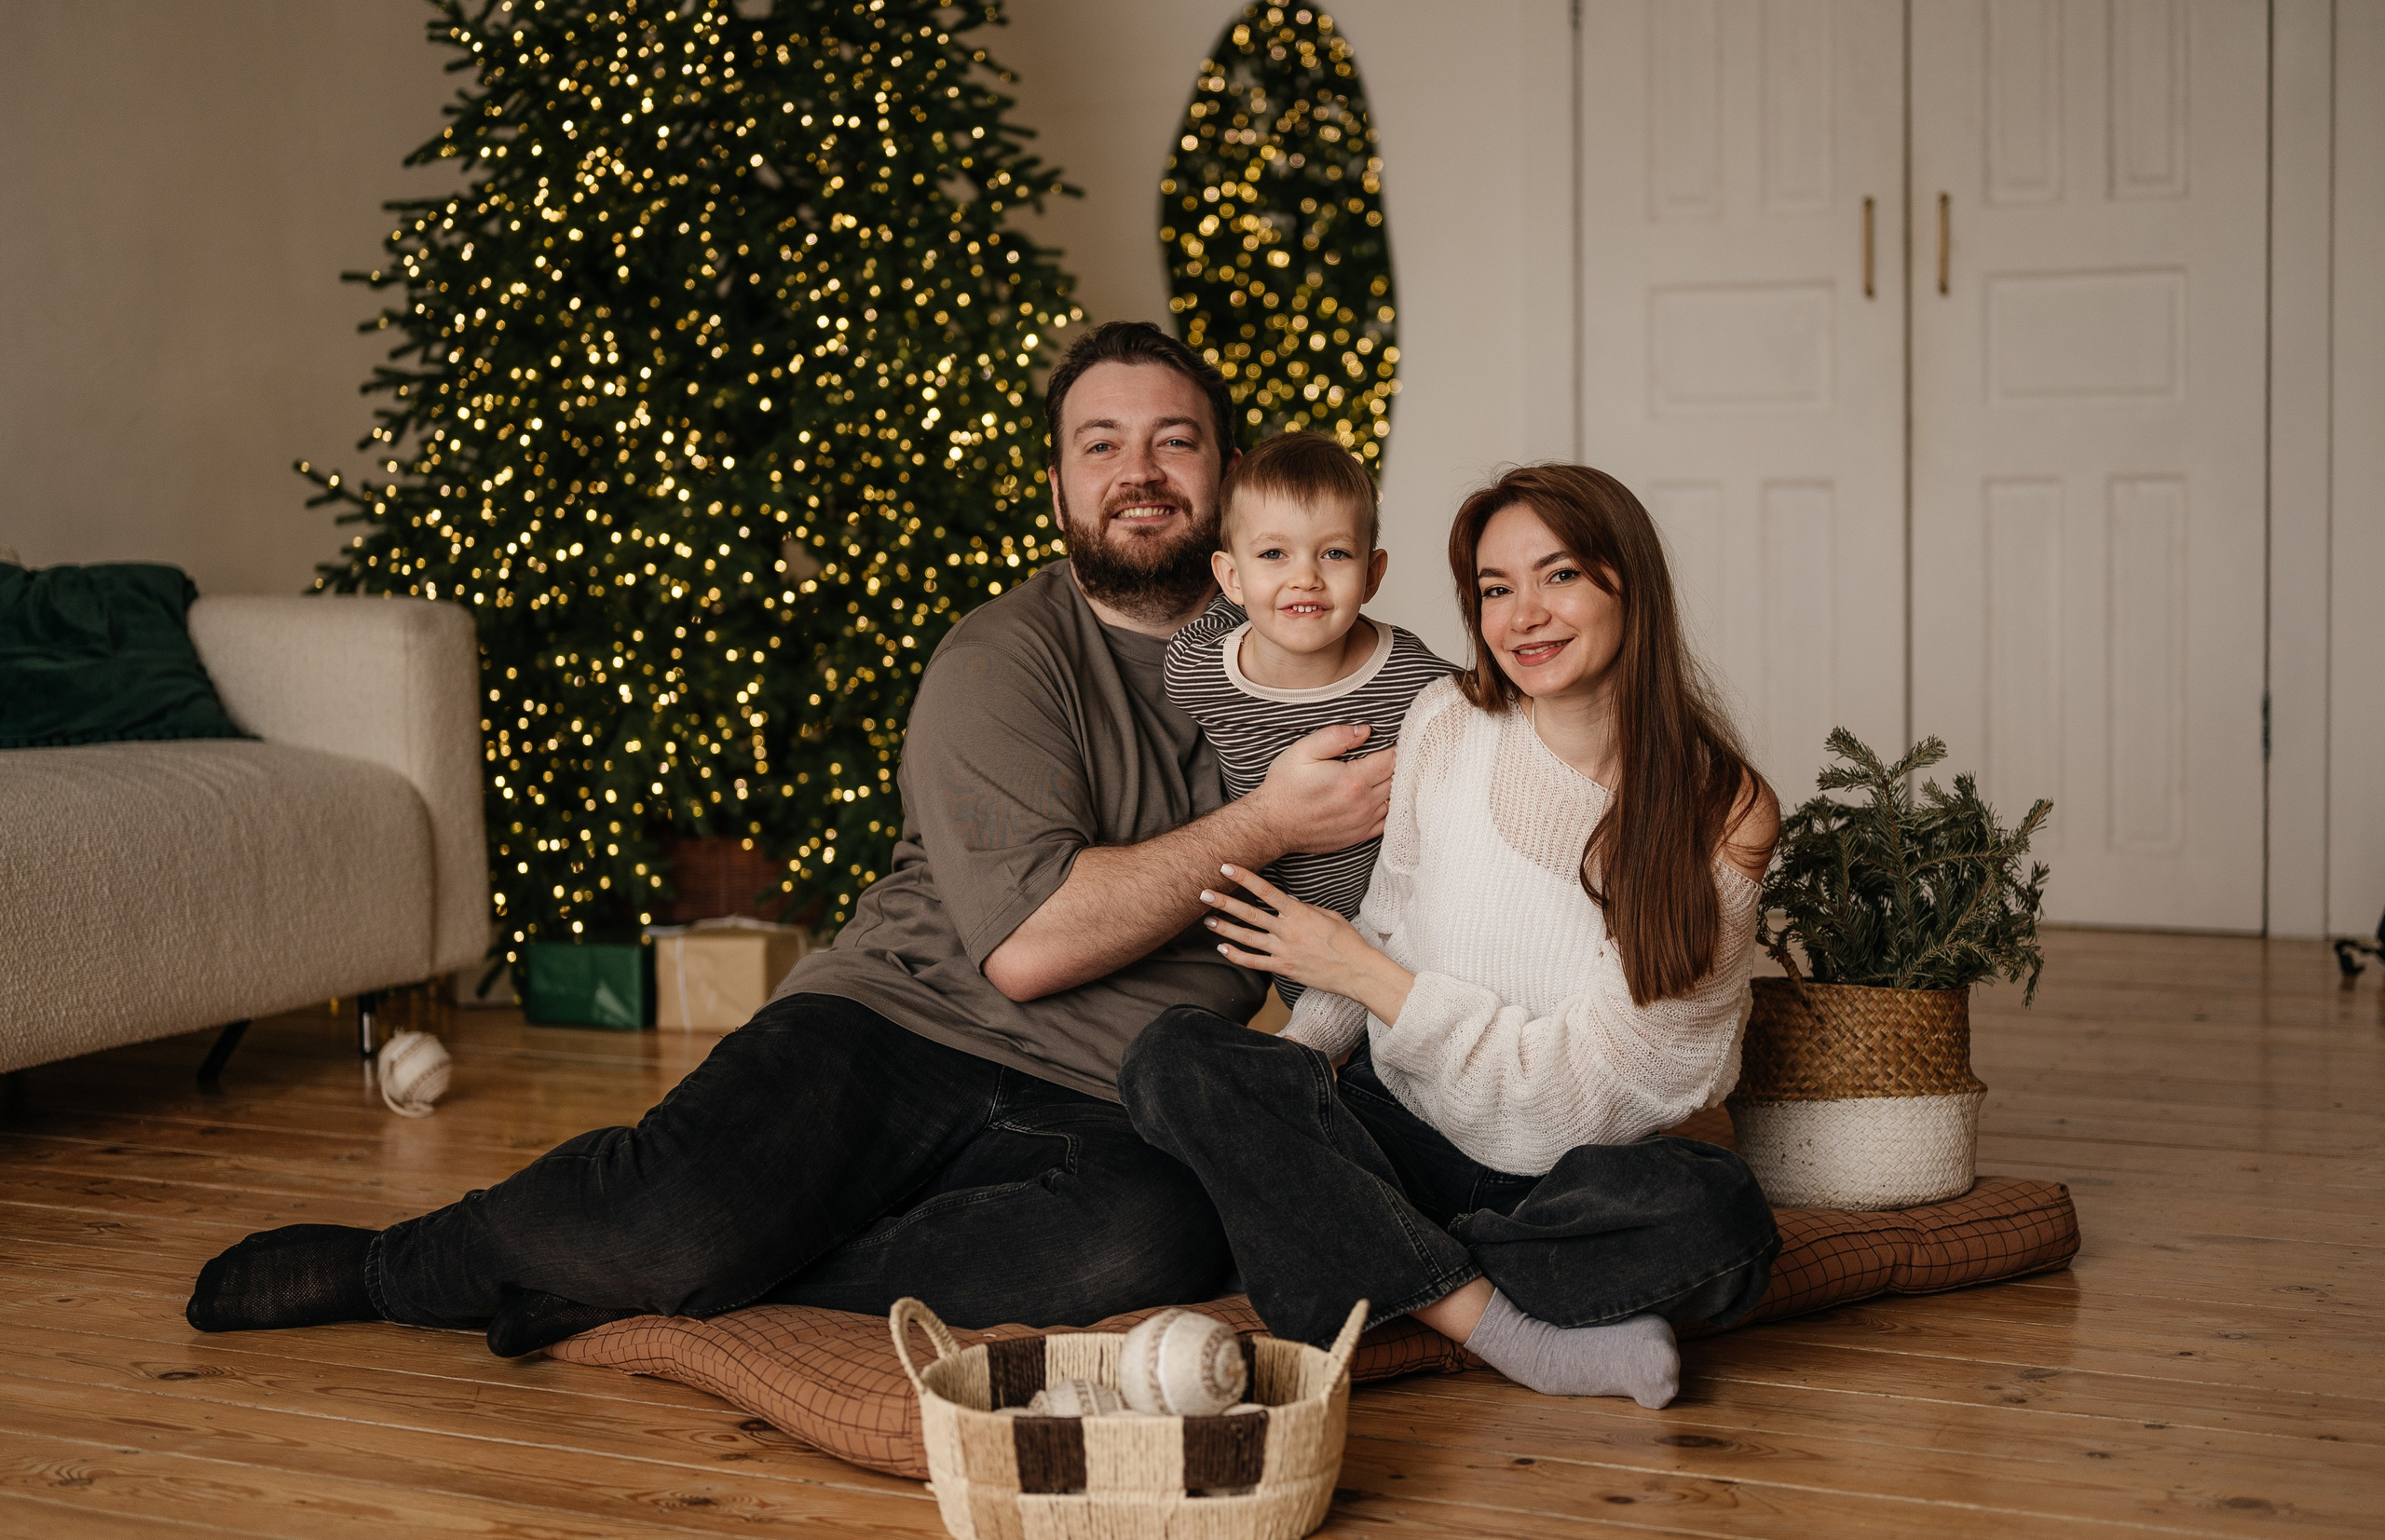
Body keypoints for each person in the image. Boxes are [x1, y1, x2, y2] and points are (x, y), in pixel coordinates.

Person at [184, 321, 1396, 1354]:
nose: (1139, 471)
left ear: (1232, 476)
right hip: (896, 1025)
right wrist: (1270, 818)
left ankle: (658, 1290)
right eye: (1102, 445)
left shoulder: (1352, 681)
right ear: (1057, 486)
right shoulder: (1004, 657)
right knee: (668, 1218)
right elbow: (1028, 947)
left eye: (1173, 441)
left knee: (1150, 1241)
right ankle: (408, 1261)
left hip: (1115, 1091)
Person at [1122, 464, 1784, 1410]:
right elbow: (1387, 919)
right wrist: (1282, 1096)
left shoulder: (1721, 809)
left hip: (1558, 1178)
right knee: (1177, 1057)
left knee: (1716, 1214)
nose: (1524, 615)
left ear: (1628, 583)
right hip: (1392, 1123)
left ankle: (1365, 1253)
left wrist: (1362, 978)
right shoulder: (1447, 720)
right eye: (1495, 588)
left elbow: (1589, 1093)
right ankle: (1508, 1326)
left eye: (1558, 576)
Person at [1162, 430, 1455, 1009]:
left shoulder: (1421, 683)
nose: (1306, 578)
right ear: (1231, 576)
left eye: (1334, 553)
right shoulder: (1195, 667)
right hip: (1288, 959)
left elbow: (1499, 722)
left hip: (1412, 956)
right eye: (1274, 554)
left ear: (1372, 575)